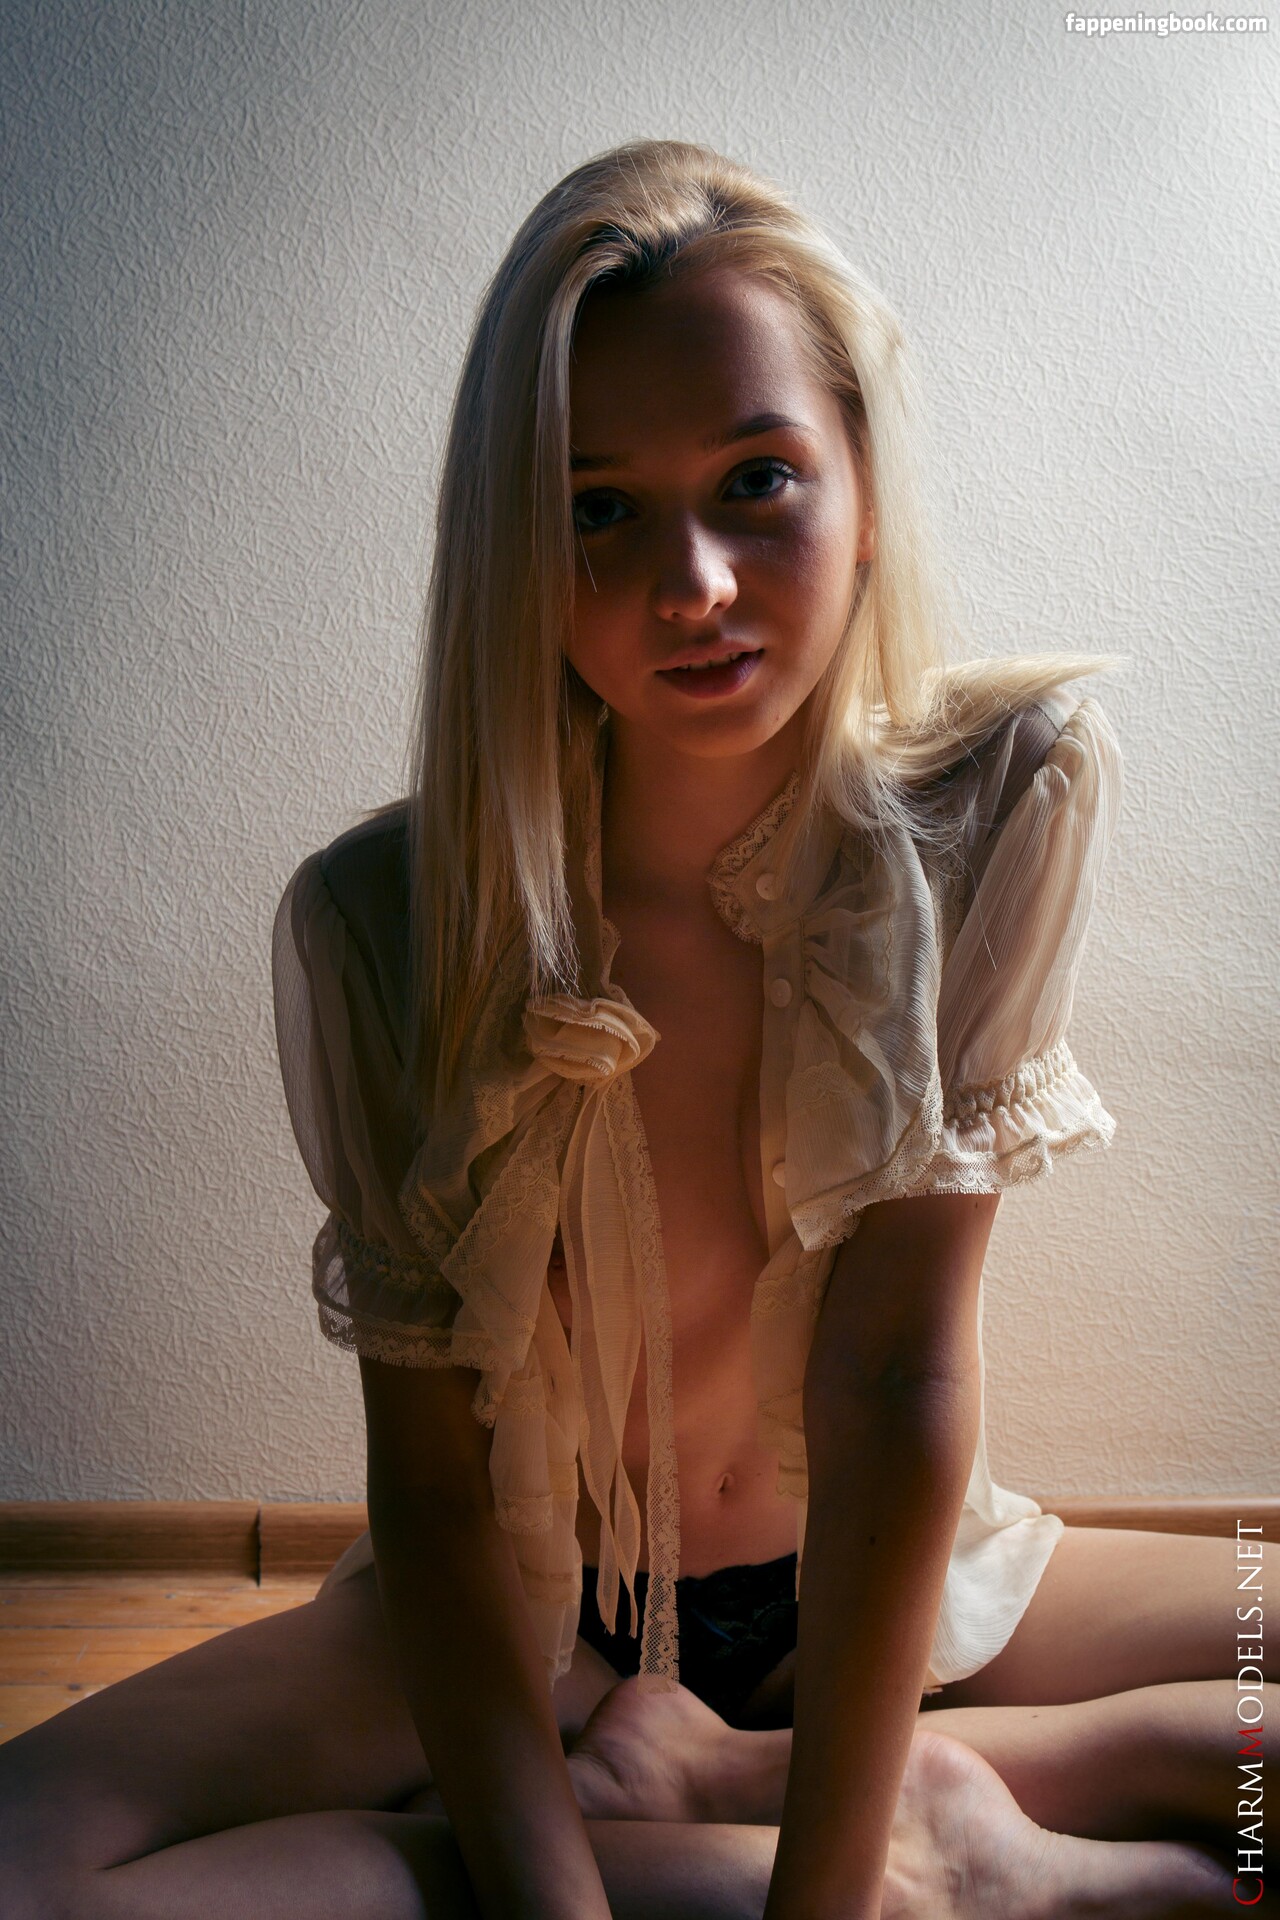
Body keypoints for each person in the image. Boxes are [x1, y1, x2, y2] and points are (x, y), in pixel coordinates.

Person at [1, 138, 1272, 1920]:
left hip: (908, 1576)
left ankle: (851, 1802)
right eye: (597, 509)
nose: (694, 584)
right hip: (536, 1612)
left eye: (757, 481)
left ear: (865, 487)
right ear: (515, 547)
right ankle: (739, 1824)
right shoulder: (383, 924)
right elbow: (436, 1498)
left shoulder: (995, 806)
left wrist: (824, 1895)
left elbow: (900, 1375)